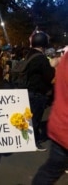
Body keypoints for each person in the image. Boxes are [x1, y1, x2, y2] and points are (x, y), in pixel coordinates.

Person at [31, 47, 68, 185]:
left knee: (50, 171)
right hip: (64, 129)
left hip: (60, 127)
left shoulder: (63, 60)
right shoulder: (44, 60)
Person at [26, 31, 55, 151]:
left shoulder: (29, 55)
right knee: (36, 119)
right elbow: (50, 77)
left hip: (28, 91)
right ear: (43, 44)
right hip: (38, 93)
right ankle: (34, 142)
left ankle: (28, 139)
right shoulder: (41, 58)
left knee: (30, 117)